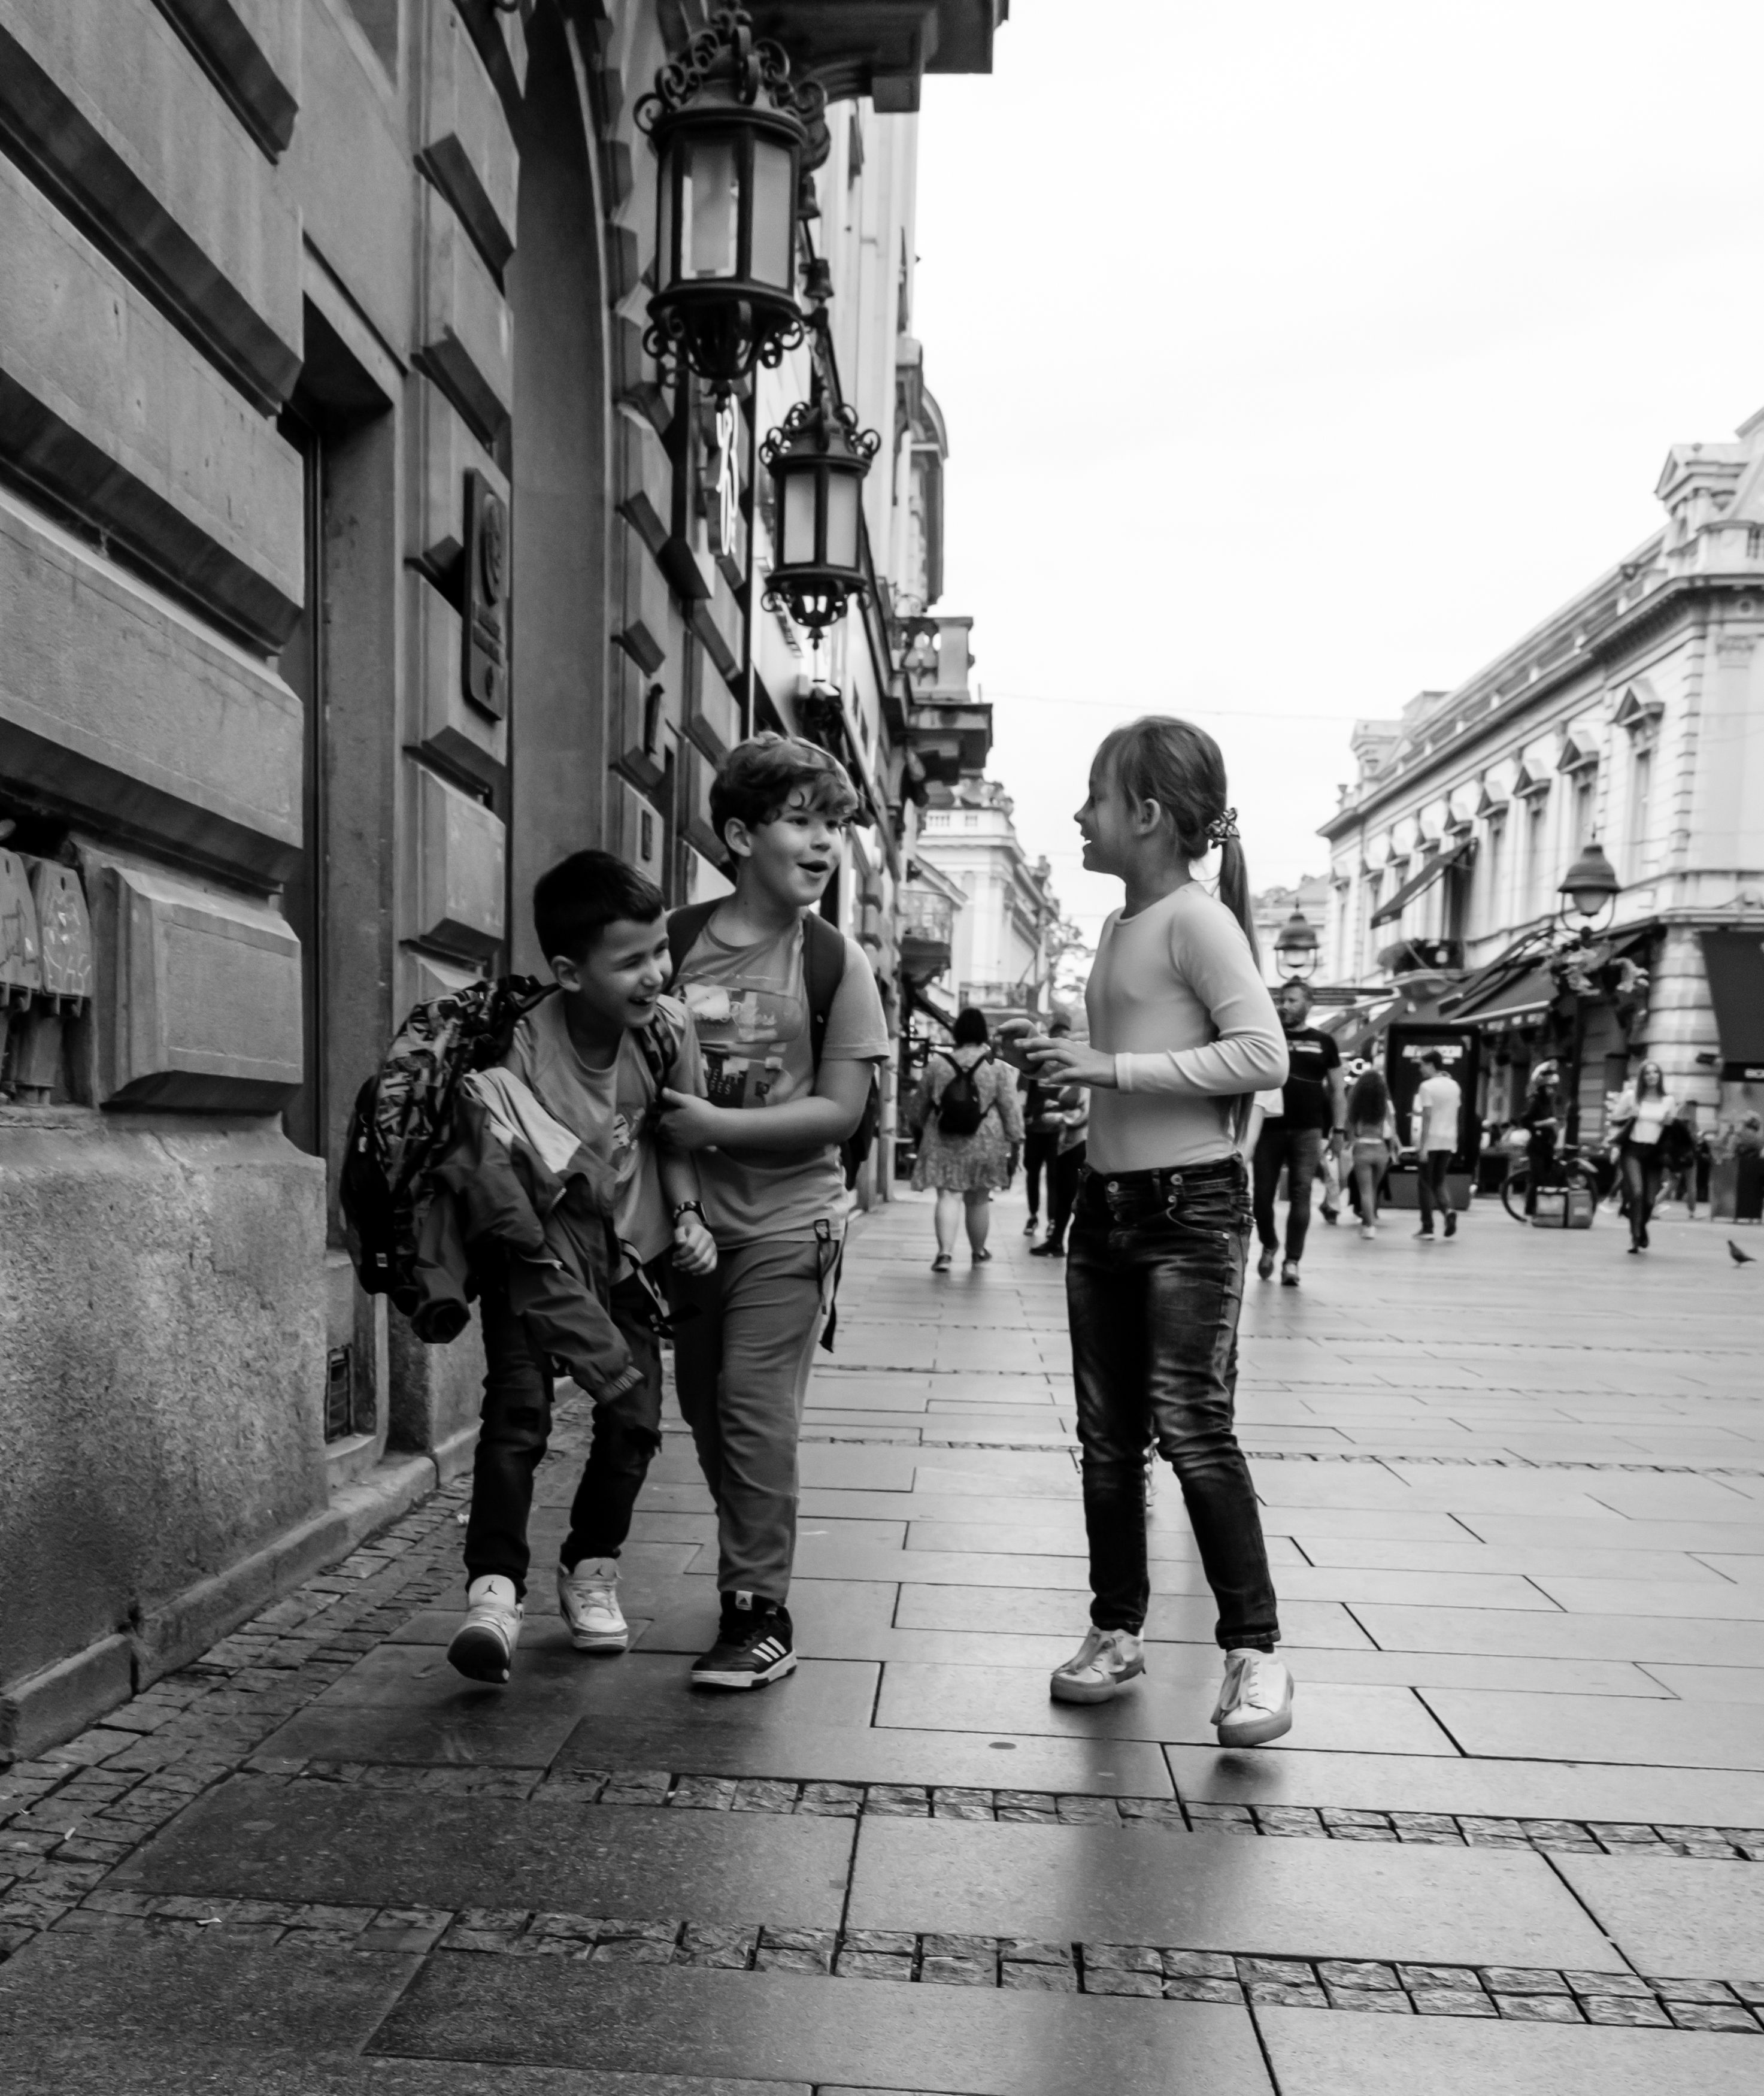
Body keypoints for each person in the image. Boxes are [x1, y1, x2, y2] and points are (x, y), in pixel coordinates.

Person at [1003, 714, 1295, 1749]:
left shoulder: (1194, 921)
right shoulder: (1123, 924)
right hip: (1107, 1205)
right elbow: (1154, 1053)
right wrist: (1076, 1068)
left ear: (1148, 813)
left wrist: (1110, 1069)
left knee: (1192, 1429)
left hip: (1189, 1210)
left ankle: (1254, 1653)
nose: (1080, 815)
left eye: (1095, 797)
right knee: (1106, 1442)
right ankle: (1115, 1631)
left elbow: (1263, 1056)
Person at [448, 852, 718, 1684]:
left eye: (660, 950)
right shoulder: (521, 1043)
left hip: (630, 1263)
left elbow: (676, 1138)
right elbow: (493, 1165)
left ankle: (590, 1568)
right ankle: (494, 1593)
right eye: (631, 961)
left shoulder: (667, 1031)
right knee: (517, 1416)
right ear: (570, 972)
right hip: (534, 1259)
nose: (655, 974)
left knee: (633, 1421)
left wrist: (688, 1214)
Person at [656, 734, 890, 1689]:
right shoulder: (673, 944)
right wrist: (677, 1197)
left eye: (834, 824)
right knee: (706, 1413)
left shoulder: (836, 963)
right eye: (802, 821)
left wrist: (715, 1125)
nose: (825, 842)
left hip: (792, 1222)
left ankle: (757, 1611)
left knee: (754, 1413)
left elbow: (840, 1112)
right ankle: (750, 1554)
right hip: (686, 1226)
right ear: (741, 834)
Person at [911, 1007, 1024, 1270]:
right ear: (983, 1033)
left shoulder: (938, 1065)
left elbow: (918, 1108)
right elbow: (1010, 1107)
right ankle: (978, 1251)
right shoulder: (996, 1066)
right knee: (979, 1198)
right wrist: (1016, 1139)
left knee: (948, 1195)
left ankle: (945, 1254)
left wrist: (919, 1128)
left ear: (957, 1032)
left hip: (943, 1138)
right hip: (985, 1140)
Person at [1250, 980, 1345, 1287]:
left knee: (1301, 1192)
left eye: (1292, 1000)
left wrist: (1339, 1129)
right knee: (1261, 1196)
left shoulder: (1324, 1042)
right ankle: (1269, 1243)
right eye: (1282, 1000)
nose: (1284, 1006)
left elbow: (1338, 1090)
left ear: (1308, 1004)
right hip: (1268, 1128)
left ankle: (1292, 1261)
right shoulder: (1269, 1036)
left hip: (1308, 1129)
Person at [1610, 1059, 1676, 1252]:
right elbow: (1614, 1118)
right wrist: (1630, 1115)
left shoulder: (1668, 1100)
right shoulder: (1632, 1097)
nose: (1652, 1076)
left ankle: (1640, 1225)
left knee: (1649, 1200)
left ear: (1660, 1076)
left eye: (1655, 1072)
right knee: (1637, 1193)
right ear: (1642, 1077)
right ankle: (1636, 1237)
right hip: (1633, 1151)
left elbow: (1672, 1128)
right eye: (1647, 1073)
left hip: (1655, 1154)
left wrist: (1669, 1123)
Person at [1018, 1017, 1072, 1237]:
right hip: (1034, 1128)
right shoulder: (1037, 1061)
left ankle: (1052, 1219)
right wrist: (1024, 1117)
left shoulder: (1069, 1063)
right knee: (1032, 1174)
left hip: (1057, 1131)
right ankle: (1033, 1216)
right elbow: (1022, 1093)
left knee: (1054, 1177)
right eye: (1062, 1038)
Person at [1030, 1082, 1090, 1259]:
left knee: (1069, 1193)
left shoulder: (1088, 1086)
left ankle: (1062, 1241)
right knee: (1064, 1193)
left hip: (1079, 1144)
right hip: (1066, 1144)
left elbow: (1084, 1115)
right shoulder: (1074, 1083)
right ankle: (1057, 1239)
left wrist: (1057, 1117)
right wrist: (1055, 1107)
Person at [1413, 1050, 1463, 1241]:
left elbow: (1428, 1117)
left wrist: (1422, 1146)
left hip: (1432, 1139)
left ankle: (1427, 1228)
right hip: (1449, 1139)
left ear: (1431, 1065)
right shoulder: (1454, 1085)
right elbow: (1451, 1111)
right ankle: (1448, 1211)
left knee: (1425, 1183)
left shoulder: (1426, 1087)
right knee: (1439, 1180)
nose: (1420, 1069)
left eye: (1422, 1065)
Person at [1344, 1066, 1399, 1240]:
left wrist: (1351, 1142)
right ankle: (1367, 1222)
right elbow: (1392, 1128)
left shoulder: (1356, 1102)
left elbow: (1349, 1126)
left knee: (1365, 1192)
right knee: (1373, 1190)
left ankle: (1369, 1227)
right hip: (1381, 1149)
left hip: (1362, 1147)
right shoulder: (1384, 1104)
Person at [1520, 1062, 1560, 1219]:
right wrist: (1545, 1123)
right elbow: (1525, 1121)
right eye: (1550, 1087)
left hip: (1547, 1145)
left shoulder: (1548, 1102)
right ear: (1543, 1087)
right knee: (1539, 1179)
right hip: (1536, 1146)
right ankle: (1533, 1210)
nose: (1552, 1091)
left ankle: (1542, 1210)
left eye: (1554, 1088)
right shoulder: (1535, 1101)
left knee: (1548, 1178)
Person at [1735, 1111, 1764, 1223]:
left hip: (1742, 1168)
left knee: (1744, 1192)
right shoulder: (1756, 1137)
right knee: (1756, 1192)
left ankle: (1743, 1214)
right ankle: (1753, 1215)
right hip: (1755, 1168)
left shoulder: (1741, 1134)